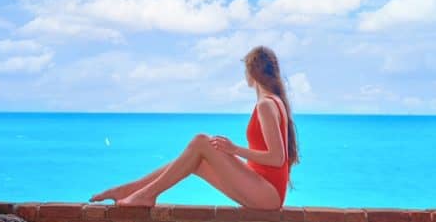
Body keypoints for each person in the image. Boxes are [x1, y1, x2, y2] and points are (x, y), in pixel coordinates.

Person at [90, 46, 299, 209]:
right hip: (262, 189)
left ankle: (145, 194)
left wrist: (234, 150)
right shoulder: (274, 102)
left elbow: (276, 158)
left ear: (252, 74)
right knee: (195, 162)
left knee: (201, 141)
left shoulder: (266, 105)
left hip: (267, 195)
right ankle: (132, 190)